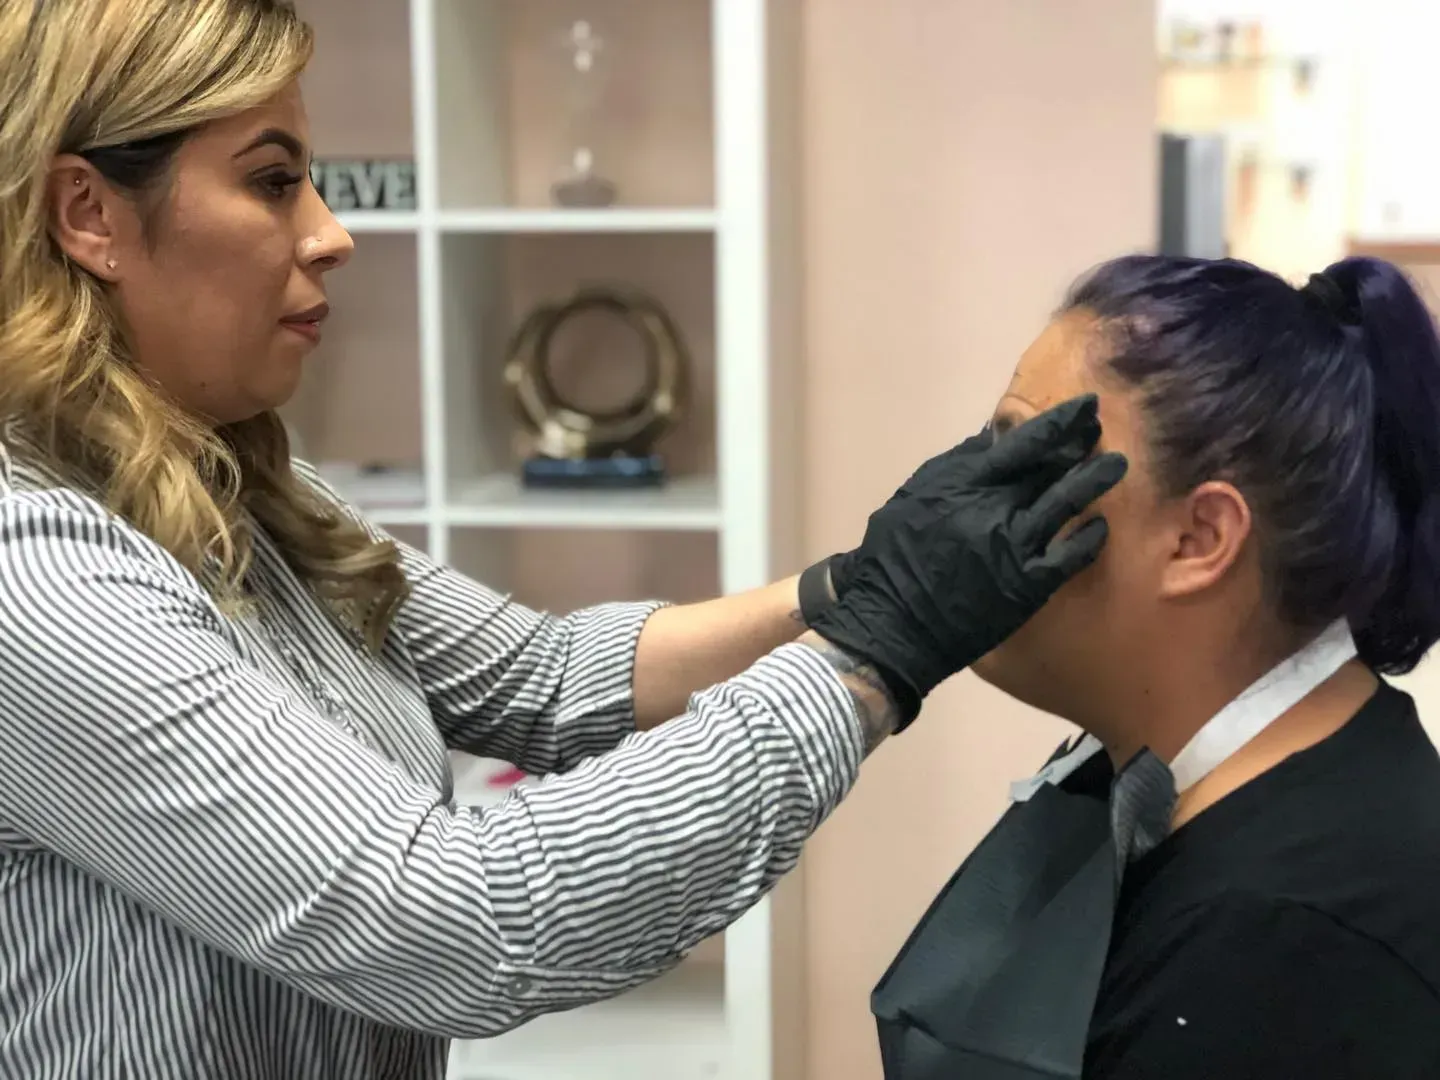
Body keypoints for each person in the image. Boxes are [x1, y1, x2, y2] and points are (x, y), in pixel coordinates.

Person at [0, 3, 1127, 1078]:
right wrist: (880, 649)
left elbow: (546, 680)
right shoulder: (38, 575)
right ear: (89, 214)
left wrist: (850, 587)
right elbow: (453, 921)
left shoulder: (225, 480)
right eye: (272, 181)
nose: (332, 234)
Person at [966, 251, 1440, 1077]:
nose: (964, 509)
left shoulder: (1278, 946)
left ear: (1198, 540)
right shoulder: (1190, 774)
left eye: (1026, 463)